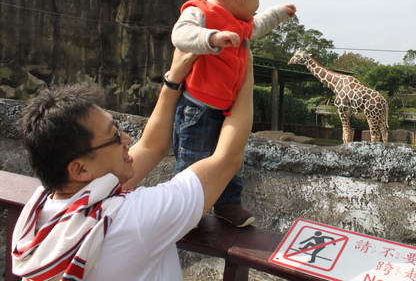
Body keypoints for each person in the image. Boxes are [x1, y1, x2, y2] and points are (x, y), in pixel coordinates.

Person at [11, 49, 255, 281]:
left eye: (118, 127)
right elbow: (227, 159)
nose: (127, 140)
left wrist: (173, 80)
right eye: (114, 136)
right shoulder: (133, 219)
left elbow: (150, 146)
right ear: (80, 169)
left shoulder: (39, 212)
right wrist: (244, 69)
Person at [170, 0, 296, 227]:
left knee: (230, 161)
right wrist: (212, 38)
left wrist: (279, 12)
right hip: (198, 109)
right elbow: (181, 34)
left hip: (226, 111)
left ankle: (226, 204)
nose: (259, 3)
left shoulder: (242, 21)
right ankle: (182, 207)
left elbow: (260, 23)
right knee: (195, 159)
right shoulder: (201, 11)